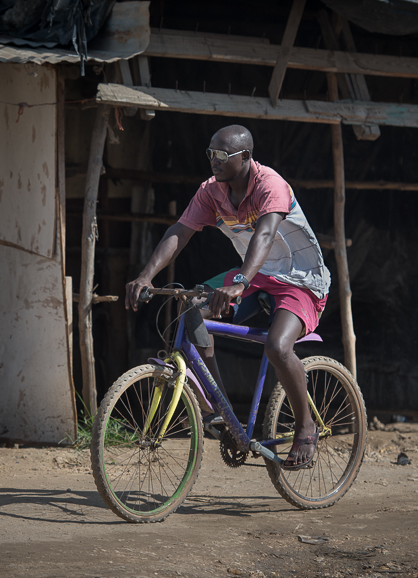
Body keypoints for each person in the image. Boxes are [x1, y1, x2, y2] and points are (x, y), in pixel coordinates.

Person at [125, 125, 331, 470]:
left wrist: (240, 282)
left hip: (300, 279)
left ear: (246, 157)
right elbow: (180, 231)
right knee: (190, 309)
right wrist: (147, 275)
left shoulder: (271, 185)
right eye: (209, 154)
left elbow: (265, 234)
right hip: (255, 275)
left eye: (221, 155)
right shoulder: (211, 191)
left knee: (278, 347)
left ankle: (305, 427)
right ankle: (222, 411)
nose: (213, 161)